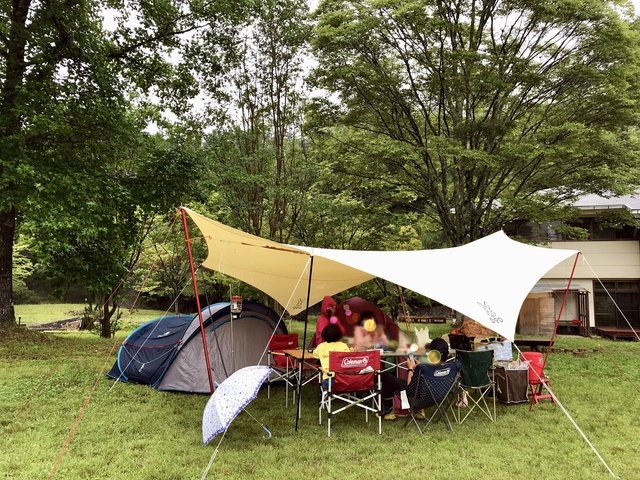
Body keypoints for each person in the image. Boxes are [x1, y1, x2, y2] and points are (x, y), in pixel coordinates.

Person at [379, 337, 450, 420]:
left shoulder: (427, 368)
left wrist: (410, 369)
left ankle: (389, 411)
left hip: (419, 399)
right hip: (436, 398)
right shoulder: (448, 368)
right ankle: (419, 411)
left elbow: (410, 388)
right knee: (399, 379)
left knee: (386, 377)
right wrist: (419, 368)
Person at [312, 323, 350, 389]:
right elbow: (349, 358)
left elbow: (315, 355)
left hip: (329, 380)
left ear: (324, 334)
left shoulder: (321, 347)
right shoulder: (343, 346)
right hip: (344, 380)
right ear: (339, 335)